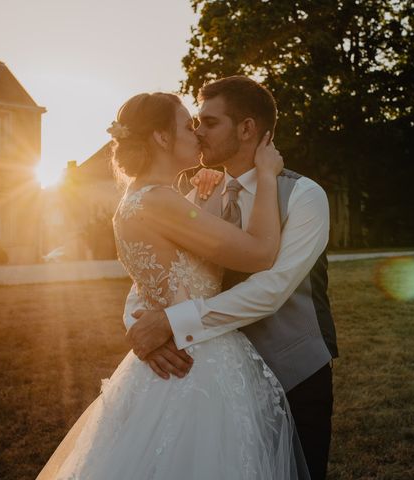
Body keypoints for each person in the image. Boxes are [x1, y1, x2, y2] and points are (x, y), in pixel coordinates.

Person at [36, 92, 309, 479]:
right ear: (162, 138)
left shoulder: (143, 199)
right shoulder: (160, 201)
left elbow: (164, 271)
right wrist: (266, 176)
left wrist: (201, 196)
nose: (197, 134)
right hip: (197, 366)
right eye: (187, 125)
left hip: (174, 358)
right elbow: (261, 253)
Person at [126, 76, 338, 480]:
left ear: (247, 129)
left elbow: (271, 290)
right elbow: (151, 268)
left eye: (208, 122)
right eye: (194, 123)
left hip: (295, 374)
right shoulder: (195, 197)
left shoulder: (305, 196)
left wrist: (173, 323)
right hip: (217, 382)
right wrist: (139, 330)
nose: (197, 132)